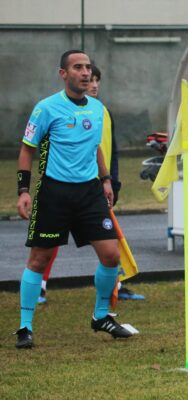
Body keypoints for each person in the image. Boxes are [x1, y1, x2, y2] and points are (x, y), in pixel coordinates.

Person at [14, 50, 132, 349]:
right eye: (77, 67)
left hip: (90, 192)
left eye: (87, 67)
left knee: (111, 255)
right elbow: (28, 149)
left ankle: (101, 316)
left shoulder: (96, 108)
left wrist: (105, 180)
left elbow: (95, 148)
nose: (84, 73)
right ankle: (25, 326)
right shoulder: (46, 108)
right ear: (63, 73)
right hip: (54, 192)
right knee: (39, 258)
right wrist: (23, 191)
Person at [36, 64, 144, 304]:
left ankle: (117, 285)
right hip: (66, 187)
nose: (93, 84)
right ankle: (40, 286)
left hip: (98, 187)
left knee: (110, 242)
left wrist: (111, 181)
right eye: (90, 79)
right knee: (49, 242)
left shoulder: (102, 111)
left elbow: (109, 149)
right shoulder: (56, 110)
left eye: (97, 80)